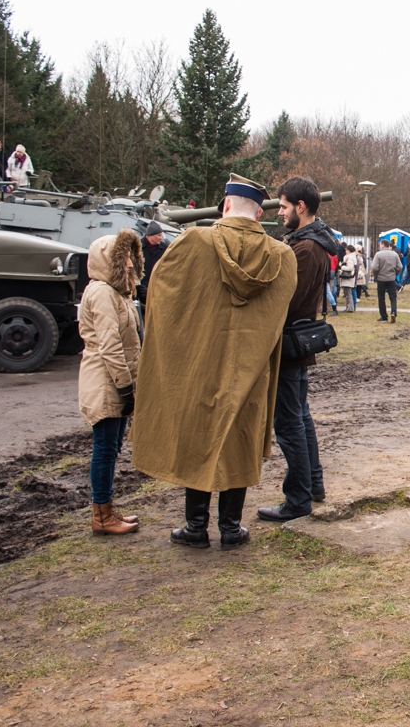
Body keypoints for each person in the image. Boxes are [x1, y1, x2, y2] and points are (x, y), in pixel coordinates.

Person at [132, 173, 297, 550]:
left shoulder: (192, 241)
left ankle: (195, 527)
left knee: (200, 435)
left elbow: (160, 294)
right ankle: (230, 527)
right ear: (259, 213)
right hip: (250, 370)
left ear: (225, 206)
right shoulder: (282, 256)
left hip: (200, 366)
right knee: (239, 439)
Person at [259, 177, 339, 522]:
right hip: (298, 342)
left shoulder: (305, 248)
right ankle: (313, 485)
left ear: (300, 206)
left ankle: (298, 499)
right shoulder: (310, 242)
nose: (280, 212)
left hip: (290, 344)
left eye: (284, 206)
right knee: (300, 417)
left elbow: (287, 301)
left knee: (289, 423)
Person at [78, 229, 143, 536]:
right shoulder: (102, 293)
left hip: (114, 381)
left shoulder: (118, 293)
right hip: (106, 383)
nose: (130, 264)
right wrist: (125, 387)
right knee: (104, 450)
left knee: (112, 448)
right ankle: (101, 516)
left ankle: (106, 509)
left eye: (131, 257)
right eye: (124, 258)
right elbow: (110, 346)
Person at [137, 221, 167, 306]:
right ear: (150, 235)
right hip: (141, 290)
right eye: (159, 235)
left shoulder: (164, 248)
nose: (161, 238)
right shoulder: (137, 247)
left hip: (157, 290)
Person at [371, 238, 402, 323]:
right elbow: (400, 267)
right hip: (391, 278)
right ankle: (393, 312)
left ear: (383, 245)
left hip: (381, 278)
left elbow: (374, 267)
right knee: (393, 297)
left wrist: (376, 275)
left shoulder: (378, 254)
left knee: (381, 297)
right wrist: (395, 274)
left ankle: (384, 316)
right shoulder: (395, 254)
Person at [339, 245, 362, 311]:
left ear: (348, 251)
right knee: (348, 293)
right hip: (349, 278)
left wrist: (342, 267)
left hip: (348, 278)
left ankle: (350, 308)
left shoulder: (350, 258)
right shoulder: (352, 257)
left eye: (346, 250)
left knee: (348, 294)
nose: (345, 251)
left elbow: (350, 267)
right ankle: (349, 307)